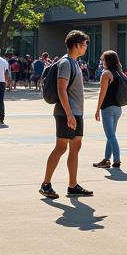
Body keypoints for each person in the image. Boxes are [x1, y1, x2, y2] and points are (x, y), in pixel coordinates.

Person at [40, 30, 92, 200]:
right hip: (66, 113)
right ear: (76, 45)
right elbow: (61, 90)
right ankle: (46, 184)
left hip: (76, 112)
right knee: (61, 147)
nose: (85, 47)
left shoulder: (75, 63)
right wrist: (69, 114)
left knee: (75, 148)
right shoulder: (66, 63)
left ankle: (73, 185)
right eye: (84, 44)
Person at [92, 49, 126, 170]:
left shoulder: (106, 74)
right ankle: (106, 160)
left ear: (107, 61)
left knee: (111, 136)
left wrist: (97, 110)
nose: (101, 62)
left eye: (102, 60)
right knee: (111, 135)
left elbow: (102, 93)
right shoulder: (120, 73)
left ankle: (116, 160)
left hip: (108, 108)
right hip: (118, 108)